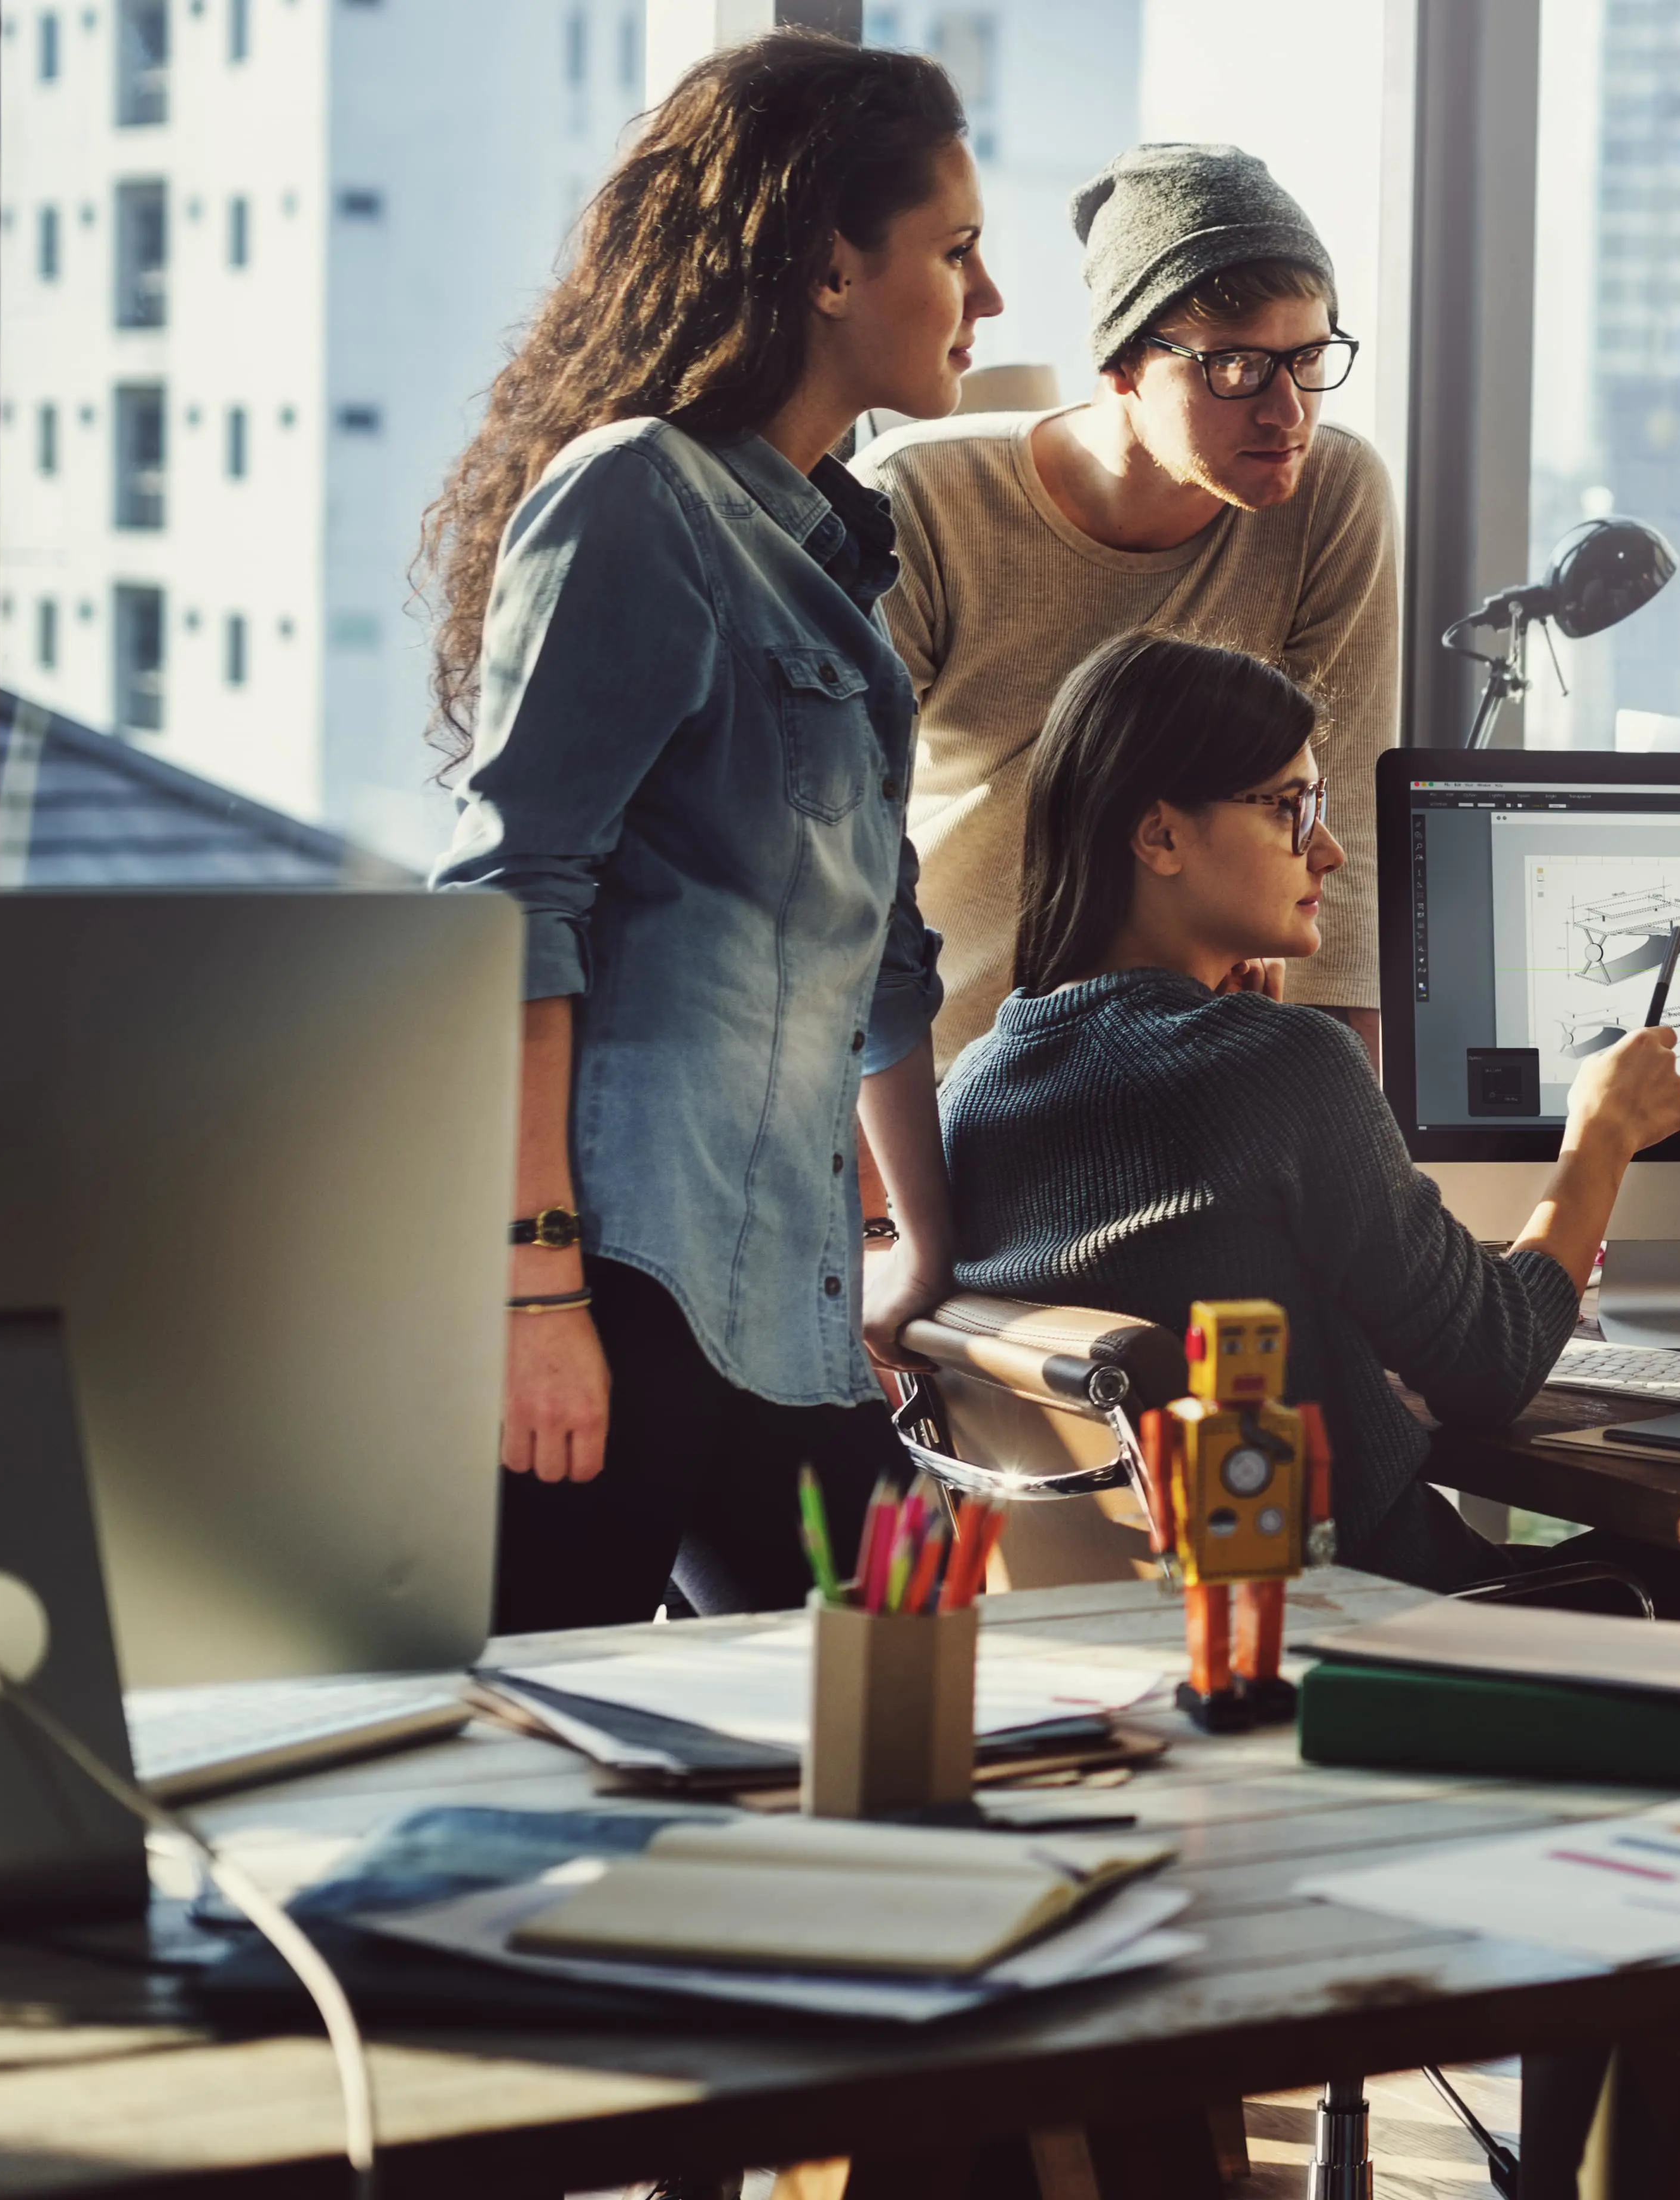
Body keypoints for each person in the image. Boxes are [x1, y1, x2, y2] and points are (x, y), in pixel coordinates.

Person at [423, 30, 996, 1631]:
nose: (990, 299)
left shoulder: (843, 573)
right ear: (829, 262)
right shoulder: (636, 503)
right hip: (621, 1289)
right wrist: (534, 1292)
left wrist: (926, 1258)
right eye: (956, 253)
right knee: (538, 1775)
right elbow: (511, 899)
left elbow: (886, 968)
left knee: (916, 1686)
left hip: (793, 1309)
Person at [939, 633, 1680, 1589]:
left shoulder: (973, 1085)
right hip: (1385, 1633)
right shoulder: (1280, 1066)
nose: (1331, 851)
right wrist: (1601, 1138)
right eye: (1293, 810)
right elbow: (1490, 1368)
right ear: (1161, 835)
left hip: (1163, 1650)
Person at [863, 142, 1399, 1072]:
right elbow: (849, 859)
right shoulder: (922, 501)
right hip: (949, 1069)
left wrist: (1356, 1138)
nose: (1287, 414)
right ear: (1120, 367)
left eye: (1308, 359)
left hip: (1190, 1074)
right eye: (1234, 369)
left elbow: (1340, 822)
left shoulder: (1333, 491)